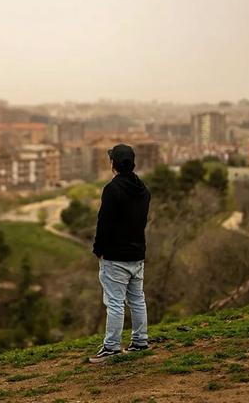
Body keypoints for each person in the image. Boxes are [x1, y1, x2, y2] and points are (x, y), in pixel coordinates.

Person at [89, 144, 151, 363]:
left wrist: (98, 250)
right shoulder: (143, 189)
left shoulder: (112, 189)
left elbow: (103, 224)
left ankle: (112, 347)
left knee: (114, 303)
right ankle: (140, 341)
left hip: (115, 256)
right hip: (137, 254)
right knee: (137, 300)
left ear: (113, 163)